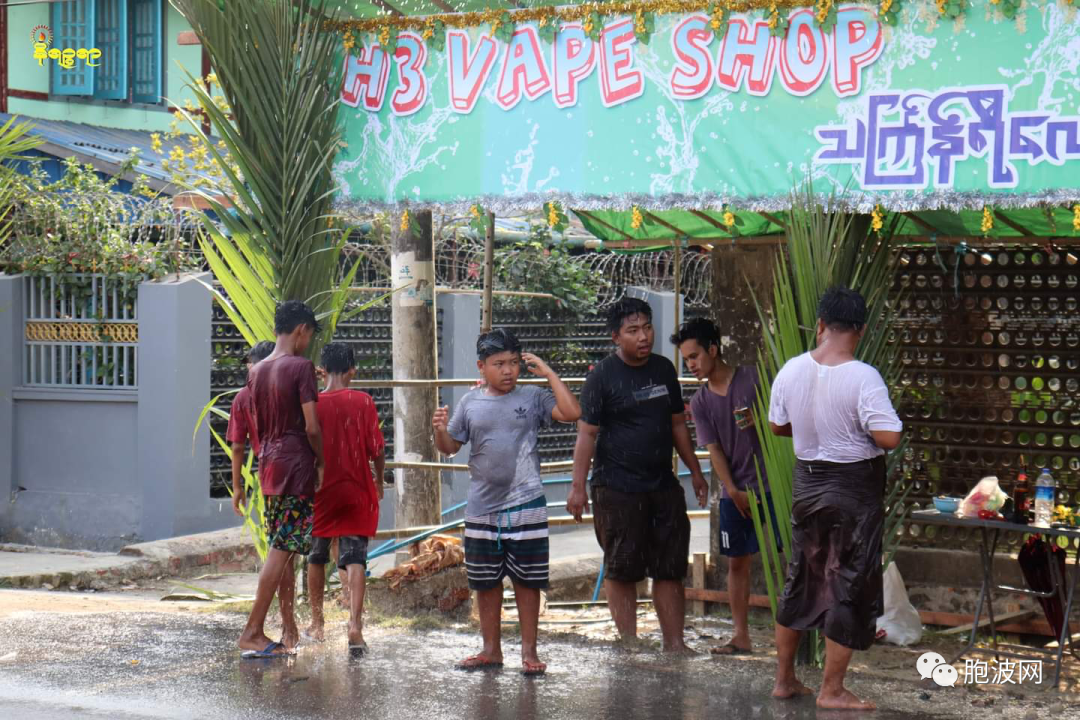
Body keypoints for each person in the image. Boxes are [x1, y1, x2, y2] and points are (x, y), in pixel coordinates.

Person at [767, 287, 903, 710]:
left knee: (802, 578)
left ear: (821, 324)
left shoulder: (790, 370)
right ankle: (832, 690)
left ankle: (784, 679)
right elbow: (889, 436)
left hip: (808, 486)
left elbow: (778, 426)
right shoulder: (863, 376)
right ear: (860, 330)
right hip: (852, 490)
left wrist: (818, 430)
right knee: (848, 581)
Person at [432, 329, 580, 676]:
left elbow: (572, 412)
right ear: (482, 367)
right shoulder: (470, 402)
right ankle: (490, 650)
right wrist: (438, 429)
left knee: (528, 583)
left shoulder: (532, 395)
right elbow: (450, 447)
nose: (508, 370)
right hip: (482, 509)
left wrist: (549, 373)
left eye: (514, 362)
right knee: (486, 583)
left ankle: (530, 652)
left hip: (527, 504)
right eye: (499, 364)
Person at [567, 297, 709, 653]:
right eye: (633, 331)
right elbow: (586, 434)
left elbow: (678, 424)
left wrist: (695, 471)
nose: (643, 336)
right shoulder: (601, 377)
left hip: (663, 485)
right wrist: (577, 487)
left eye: (647, 328)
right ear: (616, 337)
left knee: (670, 567)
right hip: (616, 488)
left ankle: (674, 644)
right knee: (622, 568)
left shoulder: (663, 370)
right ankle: (629, 644)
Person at [672, 317, 778, 656]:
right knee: (737, 561)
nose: (691, 364)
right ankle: (740, 635)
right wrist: (731, 489)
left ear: (713, 350)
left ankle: (792, 635)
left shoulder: (753, 378)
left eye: (694, 356)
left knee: (788, 559)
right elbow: (713, 449)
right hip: (736, 491)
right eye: (686, 359)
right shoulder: (701, 402)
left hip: (774, 486)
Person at [236, 300, 324, 659]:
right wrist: (321, 460)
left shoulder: (258, 371)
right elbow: (312, 426)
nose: (308, 343)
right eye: (309, 336)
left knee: (281, 546)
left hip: (269, 466)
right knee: (281, 550)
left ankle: (284, 629)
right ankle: (253, 631)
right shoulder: (300, 367)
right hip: (295, 466)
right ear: (302, 330)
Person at [304, 342, 385, 655]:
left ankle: (317, 623)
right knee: (355, 557)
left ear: (322, 370)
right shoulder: (363, 401)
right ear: (353, 369)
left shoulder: (313, 404)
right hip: (356, 488)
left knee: (317, 553)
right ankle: (355, 626)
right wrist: (378, 480)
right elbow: (376, 450)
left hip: (321, 489)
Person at [227, 340, 275, 517]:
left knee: (275, 526)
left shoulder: (242, 397)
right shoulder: (290, 387)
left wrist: (237, 486)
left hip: (269, 469)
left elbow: (238, 446)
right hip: (298, 464)